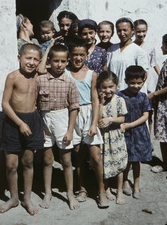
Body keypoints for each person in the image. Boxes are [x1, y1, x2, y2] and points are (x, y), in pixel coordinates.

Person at [0, 44, 44, 215]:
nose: (31, 62)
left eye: (35, 59)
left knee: (28, 162)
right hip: (13, 122)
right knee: (11, 165)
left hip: (32, 121)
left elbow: (46, 65)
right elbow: (4, 104)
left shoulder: (38, 75)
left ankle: (27, 198)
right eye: (28, 58)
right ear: (19, 58)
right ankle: (14, 197)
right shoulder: (12, 77)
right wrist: (20, 123)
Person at [36, 44, 80, 210]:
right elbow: (35, 105)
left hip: (63, 119)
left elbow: (74, 107)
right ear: (49, 61)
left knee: (66, 160)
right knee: (47, 160)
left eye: (63, 61)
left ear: (67, 62)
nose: (59, 64)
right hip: (44, 120)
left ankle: (70, 194)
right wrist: (39, 127)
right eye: (56, 61)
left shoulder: (69, 82)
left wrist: (70, 131)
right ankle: (47, 192)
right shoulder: (40, 80)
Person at [65, 40, 108, 208]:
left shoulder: (92, 74)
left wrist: (94, 123)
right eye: (74, 54)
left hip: (89, 114)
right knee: (78, 154)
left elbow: (95, 100)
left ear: (86, 55)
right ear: (70, 56)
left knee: (95, 156)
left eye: (81, 55)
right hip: (72, 114)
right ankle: (82, 187)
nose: (78, 58)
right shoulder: (65, 73)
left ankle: (101, 190)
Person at [119, 66, 152, 199]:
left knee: (137, 160)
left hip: (139, 132)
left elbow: (145, 116)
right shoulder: (119, 96)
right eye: (132, 83)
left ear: (143, 82)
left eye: (139, 83)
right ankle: (125, 181)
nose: (136, 86)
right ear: (126, 80)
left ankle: (136, 186)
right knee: (126, 159)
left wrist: (130, 125)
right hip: (123, 133)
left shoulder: (143, 97)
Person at [97, 71, 128, 205]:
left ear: (116, 86)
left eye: (111, 87)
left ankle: (119, 191)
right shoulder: (99, 101)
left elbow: (122, 118)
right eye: (104, 87)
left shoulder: (120, 100)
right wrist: (100, 103)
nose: (108, 90)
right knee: (104, 163)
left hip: (116, 136)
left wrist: (110, 119)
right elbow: (97, 119)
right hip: (103, 137)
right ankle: (107, 188)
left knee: (118, 163)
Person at [107, 17, 148, 92]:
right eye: (119, 30)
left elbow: (144, 75)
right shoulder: (111, 49)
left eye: (125, 30)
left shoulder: (138, 51)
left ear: (132, 30)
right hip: (114, 94)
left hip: (131, 95)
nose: (122, 33)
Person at [134, 19, 160, 132]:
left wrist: (160, 76)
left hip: (148, 84)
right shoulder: (131, 46)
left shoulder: (150, 47)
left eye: (143, 31)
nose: (141, 34)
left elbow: (154, 63)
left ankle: (148, 138)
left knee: (148, 113)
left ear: (147, 30)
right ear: (133, 31)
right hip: (134, 82)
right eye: (138, 31)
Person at [148, 34, 167, 173]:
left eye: (163, 44)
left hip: (165, 103)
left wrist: (154, 94)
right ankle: (165, 164)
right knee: (163, 135)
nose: (161, 47)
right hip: (162, 104)